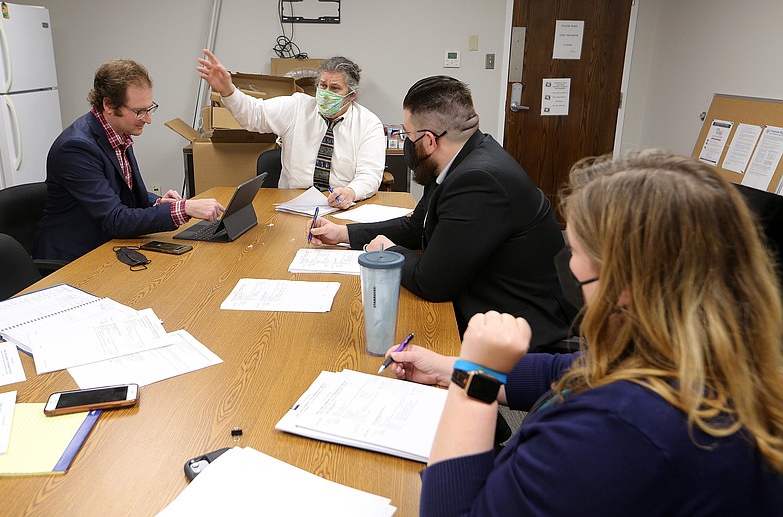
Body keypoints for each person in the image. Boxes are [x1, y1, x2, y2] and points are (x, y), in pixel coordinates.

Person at [385, 150, 783, 515]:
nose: (570, 266)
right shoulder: (709, 356)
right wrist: (445, 367)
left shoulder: (618, 431)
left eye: (574, 250)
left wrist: (476, 381)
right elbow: (568, 369)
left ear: (622, 283)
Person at [310, 76, 572, 349]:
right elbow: (416, 227)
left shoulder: (478, 181)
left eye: (407, 135)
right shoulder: (462, 157)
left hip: (519, 329)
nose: (406, 142)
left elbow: (431, 282)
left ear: (429, 140)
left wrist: (388, 251)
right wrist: (343, 233)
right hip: (485, 301)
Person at [34, 59, 224, 261]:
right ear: (108, 105)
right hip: (73, 258)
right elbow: (115, 219)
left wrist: (158, 202)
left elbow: (121, 194)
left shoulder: (118, 132)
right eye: (139, 111)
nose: (148, 119)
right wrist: (183, 208)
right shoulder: (76, 148)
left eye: (149, 108)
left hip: (106, 245)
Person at [196, 50, 385, 208]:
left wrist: (351, 192)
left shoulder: (369, 124)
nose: (326, 93)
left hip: (342, 204)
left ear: (352, 95)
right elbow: (254, 115)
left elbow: (369, 175)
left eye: (335, 88)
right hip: (293, 202)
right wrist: (228, 90)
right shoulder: (297, 107)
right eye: (323, 85)